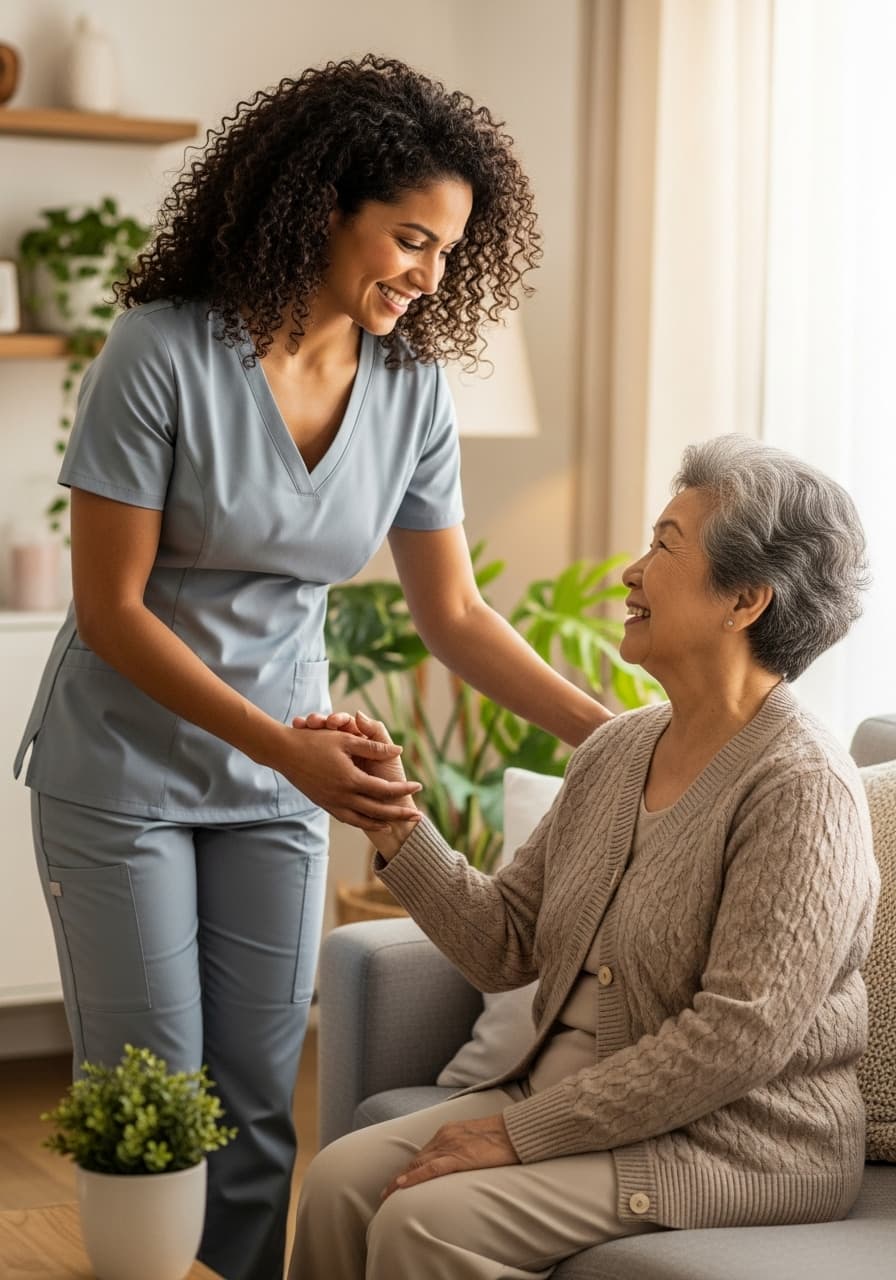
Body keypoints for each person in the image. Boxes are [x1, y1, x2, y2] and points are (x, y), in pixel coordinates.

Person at [13, 56, 613, 1280]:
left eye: (447, 251)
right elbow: (112, 611)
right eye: (409, 238)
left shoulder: (410, 388)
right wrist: (283, 747)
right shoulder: (161, 350)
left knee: (255, 1092)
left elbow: (454, 612)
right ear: (321, 204)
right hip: (124, 769)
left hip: (284, 776)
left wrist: (611, 734)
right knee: (154, 1085)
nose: (428, 275)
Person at [289, 435, 880, 1280]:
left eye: (665, 546)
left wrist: (516, 1133)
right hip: (568, 1098)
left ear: (745, 600)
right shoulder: (618, 749)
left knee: (424, 1221)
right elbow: (503, 944)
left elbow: (737, 1036)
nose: (632, 573)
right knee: (340, 1178)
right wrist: (393, 820)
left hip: (735, 1138)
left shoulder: (802, 786)